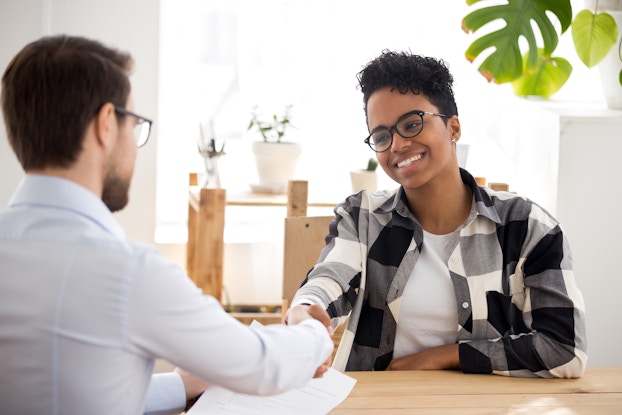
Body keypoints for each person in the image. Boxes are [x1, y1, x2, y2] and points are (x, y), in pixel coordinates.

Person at [0, 35, 333, 415]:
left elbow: (79, 392)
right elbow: (261, 364)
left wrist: (180, 386)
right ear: (106, 123)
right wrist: (311, 330)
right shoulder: (126, 272)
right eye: (134, 123)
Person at [286, 50, 587, 378]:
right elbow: (330, 278)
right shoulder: (362, 217)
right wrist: (304, 310)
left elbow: (565, 350)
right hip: (380, 404)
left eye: (412, 124)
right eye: (382, 136)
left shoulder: (529, 228)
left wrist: (447, 356)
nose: (397, 145)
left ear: (453, 128)